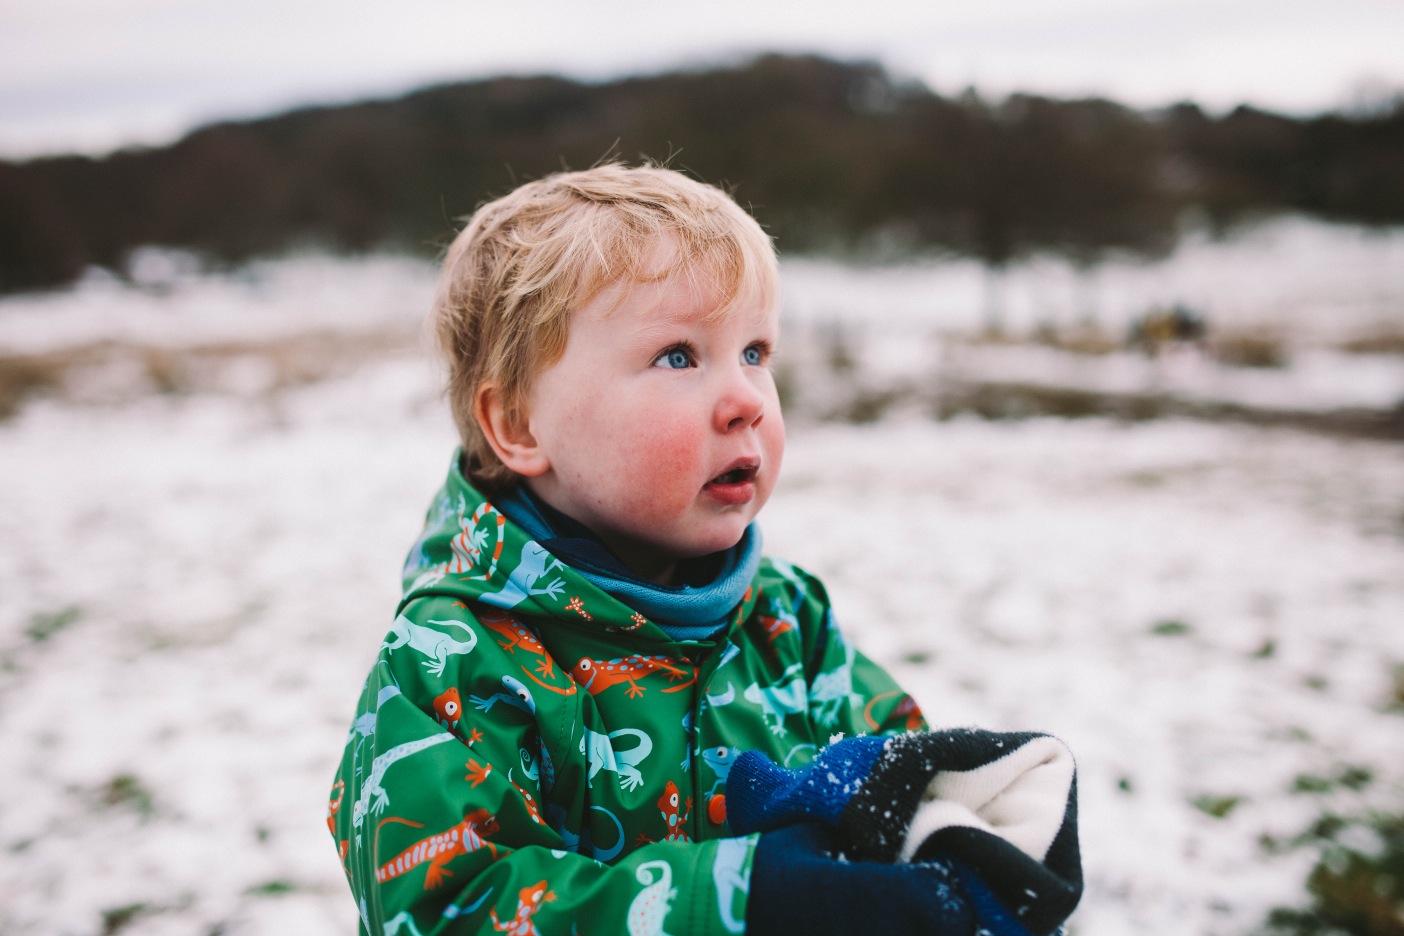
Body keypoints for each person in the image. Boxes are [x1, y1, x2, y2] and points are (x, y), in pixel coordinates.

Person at [327, 164, 1081, 936]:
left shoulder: (784, 618)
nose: (747, 400)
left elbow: (881, 764)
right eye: (680, 356)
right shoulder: (452, 660)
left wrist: (944, 814)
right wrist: (734, 902)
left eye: (756, 352)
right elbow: (445, 907)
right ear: (519, 426)